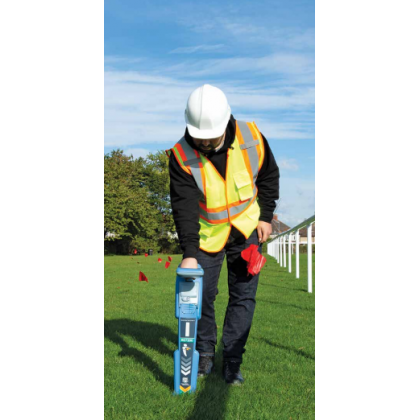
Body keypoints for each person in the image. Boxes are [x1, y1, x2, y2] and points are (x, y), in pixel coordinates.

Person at [167, 84, 279, 385]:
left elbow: (269, 177)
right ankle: (203, 356)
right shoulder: (180, 155)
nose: (202, 144)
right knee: (201, 298)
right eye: (197, 138)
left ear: (226, 123)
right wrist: (190, 253)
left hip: (247, 230)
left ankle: (232, 361)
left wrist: (266, 217)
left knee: (243, 296)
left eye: (209, 138)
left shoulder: (252, 137)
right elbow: (184, 207)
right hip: (207, 235)